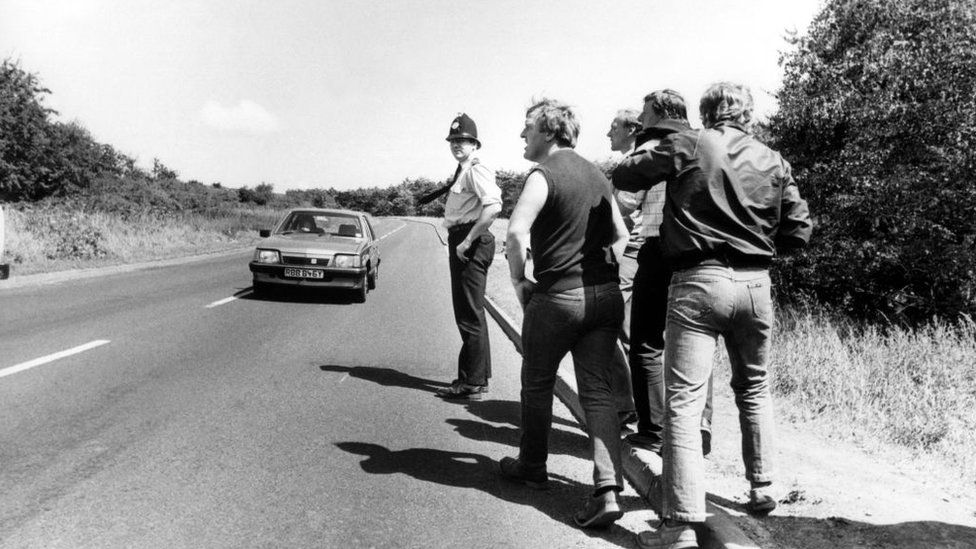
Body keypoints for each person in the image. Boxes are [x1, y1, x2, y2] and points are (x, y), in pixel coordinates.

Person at [615, 82, 812, 549]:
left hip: (698, 280)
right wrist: (757, 248)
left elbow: (626, 175)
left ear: (706, 111)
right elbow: (799, 232)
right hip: (756, 283)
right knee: (755, 386)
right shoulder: (774, 159)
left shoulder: (688, 143)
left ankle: (680, 523)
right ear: (748, 113)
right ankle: (762, 486)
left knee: (683, 400)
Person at [501, 98, 630, 529]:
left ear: (550, 132)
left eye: (528, 127)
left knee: (537, 383)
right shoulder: (597, 173)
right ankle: (607, 489)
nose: (522, 135)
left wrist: (521, 281)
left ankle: (532, 468)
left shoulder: (543, 175)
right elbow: (621, 234)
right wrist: (599, 269)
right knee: (596, 391)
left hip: (558, 297)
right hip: (605, 296)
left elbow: (516, 232)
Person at [613, 90, 714, 455]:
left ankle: (653, 428)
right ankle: (699, 426)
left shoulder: (658, 147)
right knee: (696, 345)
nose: (641, 119)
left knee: (646, 341)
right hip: (698, 251)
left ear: (659, 114)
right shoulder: (706, 144)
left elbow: (626, 188)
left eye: (645, 113)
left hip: (658, 247)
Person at [430, 113, 502, 401]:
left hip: (469, 241)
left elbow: (493, 207)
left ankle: (471, 383)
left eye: (463, 140)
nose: (457, 144)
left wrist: (468, 240)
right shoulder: (464, 170)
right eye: (454, 140)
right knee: (473, 312)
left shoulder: (476, 169)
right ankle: (477, 377)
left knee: (467, 313)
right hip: (464, 239)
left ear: (475, 144)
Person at [606, 108, 642, 427]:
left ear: (631, 129)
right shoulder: (631, 160)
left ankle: (625, 403)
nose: (609, 134)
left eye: (614, 127)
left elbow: (623, 210)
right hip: (631, 249)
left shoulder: (635, 162)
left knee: (606, 322)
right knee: (627, 329)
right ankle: (632, 404)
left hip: (628, 249)